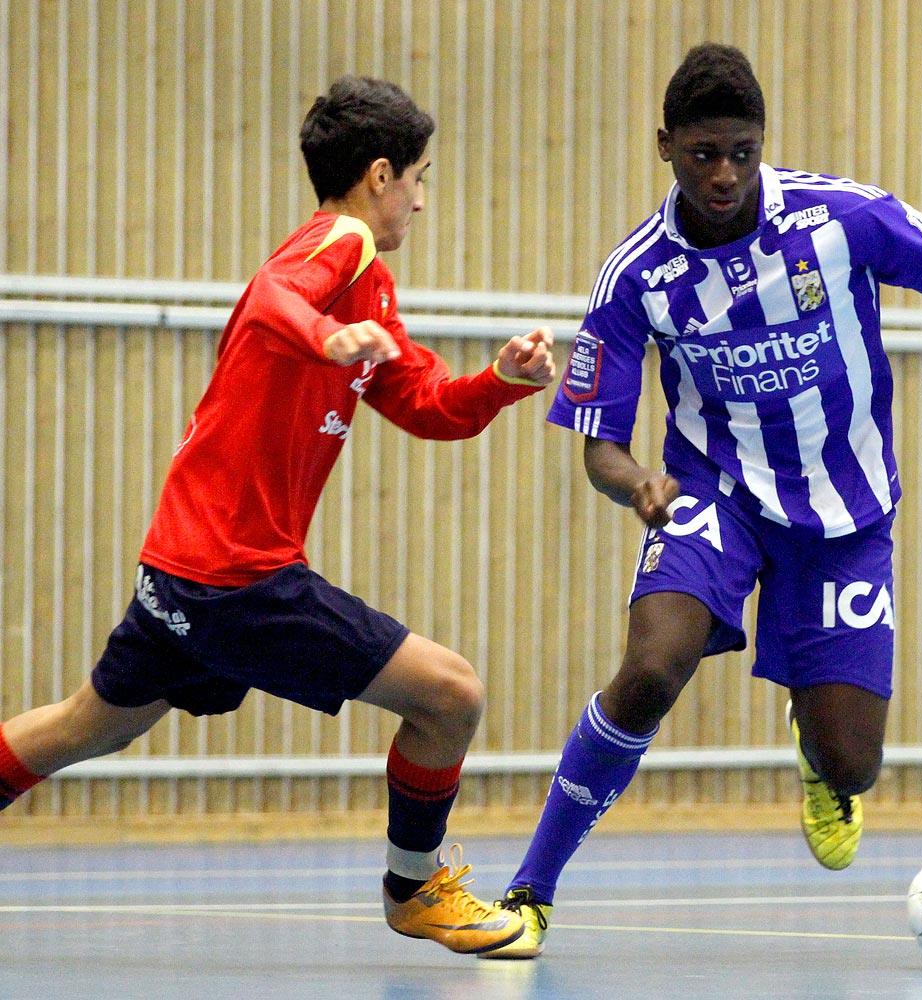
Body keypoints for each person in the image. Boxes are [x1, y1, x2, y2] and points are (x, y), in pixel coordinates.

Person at [0, 75, 555, 957]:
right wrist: (322, 339)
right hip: (239, 579)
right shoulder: (340, 242)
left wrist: (502, 382)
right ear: (380, 175)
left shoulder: (371, 293)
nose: (422, 197)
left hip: (180, 571)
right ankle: (415, 891)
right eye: (419, 176)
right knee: (452, 697)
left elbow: (425, 404)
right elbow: (270, 301)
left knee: (76, 727)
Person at [480, 43, 922, 959]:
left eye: (740, 151)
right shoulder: (635, 278)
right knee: (651, 668)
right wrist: (637, 480)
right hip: (713, 495)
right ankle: (530, 891)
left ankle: (818, 754)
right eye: (701, 155)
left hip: (845, 514)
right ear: (665, 147)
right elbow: (599, 448)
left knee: (856, 758)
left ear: (762, 144)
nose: (723, 174)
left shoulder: (841, 218)